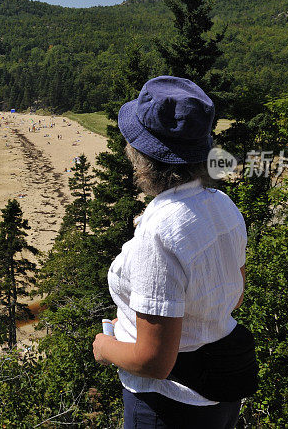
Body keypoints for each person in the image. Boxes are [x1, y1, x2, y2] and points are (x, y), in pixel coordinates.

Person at [92, 76, 250, 428]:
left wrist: (104, 346)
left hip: (168, 404)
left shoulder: (160, 232)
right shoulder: (222, 206)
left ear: (140, 154)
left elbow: (153, 362)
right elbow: (232, 296)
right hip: (220, 390)